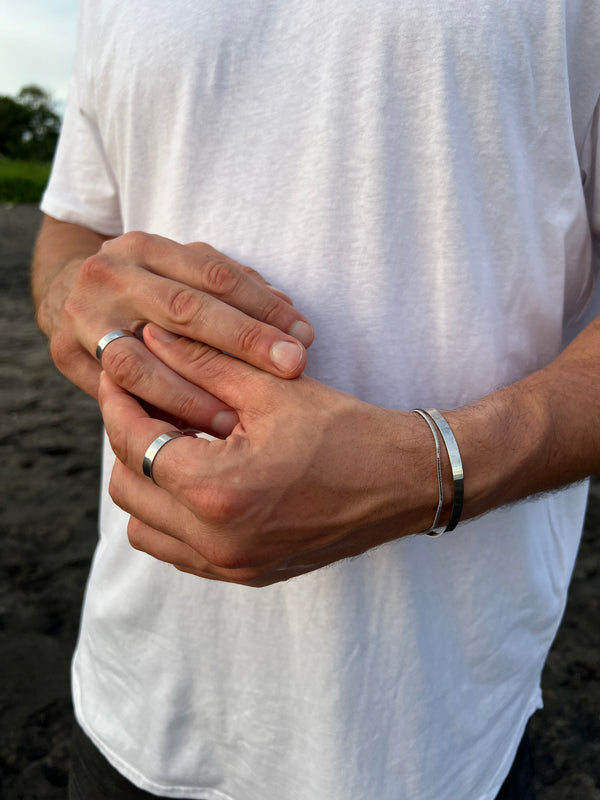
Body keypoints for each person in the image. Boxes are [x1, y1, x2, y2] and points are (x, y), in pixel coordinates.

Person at [32, 1, 599, 798]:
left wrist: (433, 470)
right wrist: (72, 301)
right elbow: (72, 228)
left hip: (434, 737)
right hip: (134, 697)